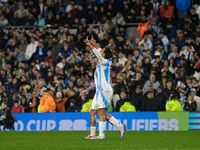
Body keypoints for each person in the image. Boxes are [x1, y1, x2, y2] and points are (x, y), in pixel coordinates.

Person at [82, 37, 127, 139]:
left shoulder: (106, 62)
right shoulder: (100, 65)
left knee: (101, 112)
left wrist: (90, 45)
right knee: (93, 112)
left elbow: (98, 53)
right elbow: (99, 51)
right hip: (99, 91)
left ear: (104, 55)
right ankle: (94, 134)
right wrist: (93, 43)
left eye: (102, 51)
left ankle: (101, 135)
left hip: (105, 90)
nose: (100, 51)